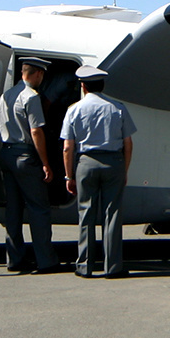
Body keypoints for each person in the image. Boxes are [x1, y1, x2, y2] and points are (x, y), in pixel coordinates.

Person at [60, 66, 136, 279]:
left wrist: (69, 175)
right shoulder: (118, 108)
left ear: (83, 86)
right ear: (102, 85)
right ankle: (113, 267)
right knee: (112, 215)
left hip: (86, 163)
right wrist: (124, 170)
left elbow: (68, 146)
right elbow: (128, 143)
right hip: (114, 163)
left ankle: (84, 266)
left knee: (86, 214)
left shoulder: (74, 109)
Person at [0, 58, 63, 273]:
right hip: (25, 156)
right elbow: (36, 131)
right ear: (37, 74)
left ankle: (15, 259)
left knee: (13, 210)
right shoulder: (31, 97)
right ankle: (46, 260)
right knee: (39, 208)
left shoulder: (5, 96)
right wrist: (45, 163)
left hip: (6, 153)